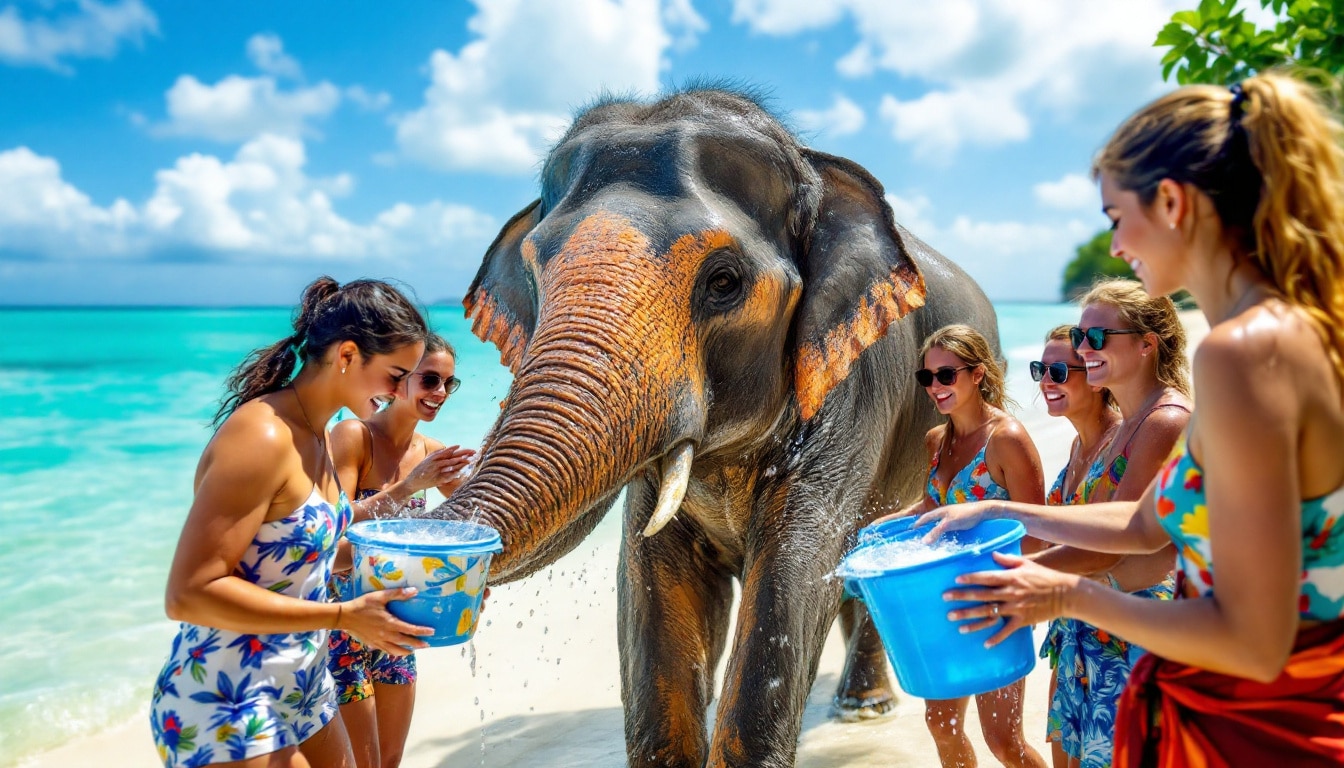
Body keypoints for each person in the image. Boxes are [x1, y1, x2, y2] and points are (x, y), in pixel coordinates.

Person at [916, 73, 1344, 767]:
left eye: (1117, 218)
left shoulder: (1244, 354)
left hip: (1265, 734)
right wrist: (1001, 511)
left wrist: (1063, 594)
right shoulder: (1284, 334)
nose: (1116, 246)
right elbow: (1148, 522)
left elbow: (1255, 642)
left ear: (1172, 201)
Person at [149, 277, 435, 768]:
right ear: (347, 355)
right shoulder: (262, 435)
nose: (400, 391)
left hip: (305, 687)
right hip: (229, 698)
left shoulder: (317, 438)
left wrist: (433, 584)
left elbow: (316, 560)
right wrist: (343, 618)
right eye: (395, 374)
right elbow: (189, 593)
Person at [1032, 284, 1193, 768]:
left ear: (1147, 343)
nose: (1084, 349)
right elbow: (1090, 532)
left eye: (1097, 336)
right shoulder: (1129, 424)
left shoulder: (1166, 420)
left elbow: (1118, 544)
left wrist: (1016, 573)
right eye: (1081, 336)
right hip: (1098, 629)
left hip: (1139, 637)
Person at [327, 332, 475, 768]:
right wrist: (411, 486)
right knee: (359, 763)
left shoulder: (431, 452)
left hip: (398, 625)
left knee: (389, 761)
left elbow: (473, 524)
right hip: (342, 622)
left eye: (450, 383)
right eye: (430, 380)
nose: (441, 393)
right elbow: (332, 529)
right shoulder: (353, 435)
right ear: (398, 381)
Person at [906, 324, 1049, 768]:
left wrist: (1018, 600)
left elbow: (1039, 533)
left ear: (977, 374)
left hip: (998, 600)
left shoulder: (1006, 440)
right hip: (946, 596)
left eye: (946, 375)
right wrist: (875, 526)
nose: (935, 387)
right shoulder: (937, 440)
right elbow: (931, 510)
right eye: (927, 378)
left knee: (1003, 741)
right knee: (940, 723)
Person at [1030, 324, 1121, 768]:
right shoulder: (1075, 445)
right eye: (1041, 369)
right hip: (1071, 637)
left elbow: (1109, 549)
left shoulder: (1120, 443)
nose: (1047, 380)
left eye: (1060, 370)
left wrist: (1018, 580)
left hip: (1115, 638)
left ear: (1098, 377)